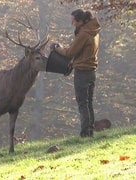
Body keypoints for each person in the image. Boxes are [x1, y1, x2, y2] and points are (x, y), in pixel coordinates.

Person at [50, 9, 101, 137]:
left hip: (82, 72)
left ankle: (85, 134)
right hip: (91, 71)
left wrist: (57, 48)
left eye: (73, 21)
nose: (72, 23)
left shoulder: (84, 33)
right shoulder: (93, 31)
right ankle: (90, 132)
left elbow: (70, 52)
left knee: (82, 103)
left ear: (80, 21)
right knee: (88, 102)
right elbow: (81, 52)